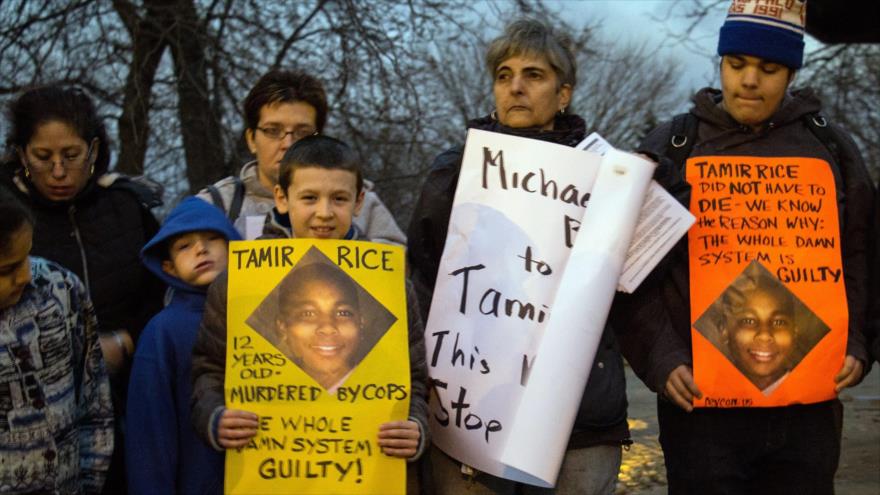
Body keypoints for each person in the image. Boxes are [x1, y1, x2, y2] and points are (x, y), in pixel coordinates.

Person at [612, 1, 875, 492]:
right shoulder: (674, 147)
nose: (749, 80)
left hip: (808, 409)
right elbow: (628, 269)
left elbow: (861, 254)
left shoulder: (832, 149)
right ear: (720, 64)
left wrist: (858, 343)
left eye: (768, 68)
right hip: (702, 410)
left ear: (792, 73)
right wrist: (663, 358)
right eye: (736, 65)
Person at [406, 18, 629, 494]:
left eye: (534, 75)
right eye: (504, 75)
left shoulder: (605, 176)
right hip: (470, 405)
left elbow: (631, 281)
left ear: (563, 93)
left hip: (578, 414)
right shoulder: (455, 170)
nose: (516, 87)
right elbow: (421, 279)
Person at [191, 135, 430, 490]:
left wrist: (415, 426)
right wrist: (214, 416)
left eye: (339, 198)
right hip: (269, 474)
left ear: (359, 201)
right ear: (281, 198)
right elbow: (208, 367)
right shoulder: (240, 283)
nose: (324, 213)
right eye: (309, 198)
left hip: (368, 477)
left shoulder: (392, 285)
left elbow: (415, 379)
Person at [2, 84, 165, 494]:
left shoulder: (128, 207)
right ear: (21, 154)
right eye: (43, 157)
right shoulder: (5, 214)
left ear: (93, 150)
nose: (58, 171)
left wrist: (126, 342)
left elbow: (163, 294)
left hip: (130, 398)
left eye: (71, 156)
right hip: (33, 423)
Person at [197, 69, 406, 245]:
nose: (288, 144)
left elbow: (397, 275)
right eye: (272, 130)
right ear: (251, 139)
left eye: (302, 133)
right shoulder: (216, 205)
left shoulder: (365, 205)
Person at [0, 186, 114, 494]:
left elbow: (93, 401)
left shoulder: (60, 289)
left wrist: (91, 479)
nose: (24, 276)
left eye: (27, 256)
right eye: (7, 269)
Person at [125, 197, 241, 495]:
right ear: (169, 268)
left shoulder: (266, 314)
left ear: (235, 246)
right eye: (184, 246)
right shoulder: (162, 332)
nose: (201, 249)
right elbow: (149, 436)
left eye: (212, 238)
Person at [276, 262, 365, 391]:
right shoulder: (259, 391)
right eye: (308, 313)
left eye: (343, 313)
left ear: (360, 323)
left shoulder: (392, 387)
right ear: (283, 327)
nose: (328, 328)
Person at [715, 262, 798, 394]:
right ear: (724, 330)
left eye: (779, 322)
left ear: (794, 333)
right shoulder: (712, 388)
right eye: (749, 321)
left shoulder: (812, 388)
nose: (765, 335)